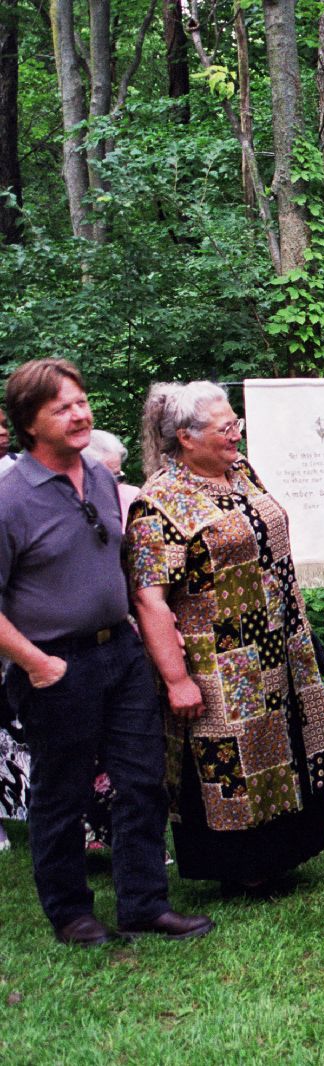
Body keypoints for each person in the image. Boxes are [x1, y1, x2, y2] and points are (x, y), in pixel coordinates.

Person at [0, 358, 211, 945]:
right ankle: (71, 913)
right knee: (61, 794)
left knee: (142, 780)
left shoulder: (96, 474)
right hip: (54, 664)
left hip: (119, 651)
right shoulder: (9, 499)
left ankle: (145, 904)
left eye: (81, 401)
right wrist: (38, 665)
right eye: (61, 407)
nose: (80, 414)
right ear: (29, 423)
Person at [125, 381, 324, 892]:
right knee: (234, 758)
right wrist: (177, 679)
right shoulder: (159, 503)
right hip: (219, 659)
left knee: (280, 746)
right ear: (185, 437)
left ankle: (284, 853)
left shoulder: (240, 472)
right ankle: (241, 868)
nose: (236, 436)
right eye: (225, 429)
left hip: (276, 644)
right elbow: (148, 598)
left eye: (236, 424)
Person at [83, 429, 140, 528]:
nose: (114, 485)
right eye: (105, 478)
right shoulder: (70, 506)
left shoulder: (133, 498)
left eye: (118, 476)